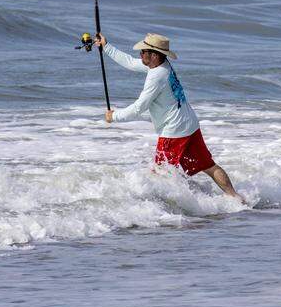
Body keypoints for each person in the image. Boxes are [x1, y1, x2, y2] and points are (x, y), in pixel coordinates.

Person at [95, 32, 242, 201]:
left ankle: (174, 209)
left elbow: (139, 108)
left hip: (174, 131)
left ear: (154, 55)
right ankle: (236, 198)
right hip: (189, 123)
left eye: (143, 51)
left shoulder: (156, 77)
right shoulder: (162, 65)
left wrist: (114, 117)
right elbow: (130, 62)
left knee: (158, 173)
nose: (140, 54)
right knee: (208, 166)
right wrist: (106, 47)